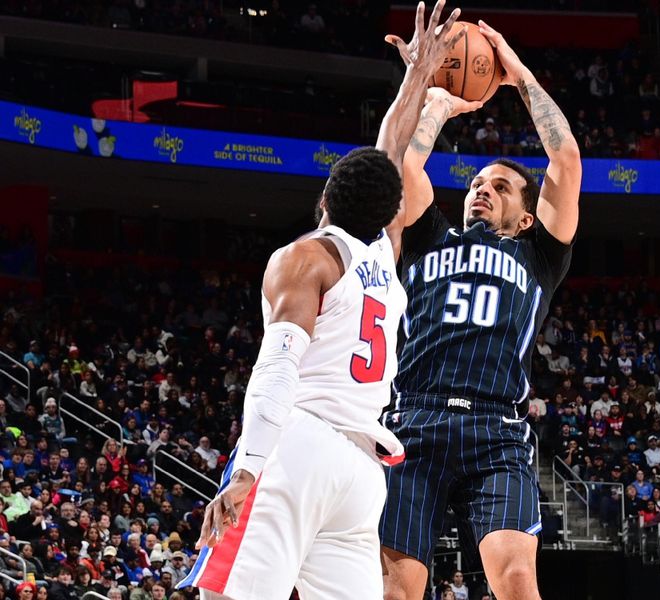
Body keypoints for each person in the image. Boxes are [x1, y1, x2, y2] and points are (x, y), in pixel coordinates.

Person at [177, 4, 467, 600]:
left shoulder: (308, 258)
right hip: (361, 473)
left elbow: (279, 367)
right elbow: (389, 152)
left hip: (297, 449)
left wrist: (249, 468)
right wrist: (417, 78)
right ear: (392, 212)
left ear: (326, 196)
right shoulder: (386, 258)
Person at [380, 18, 581, 600]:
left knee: (517, 579)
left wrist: (518, 78)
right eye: (475, 183)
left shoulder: (539, 254)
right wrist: (438, 105)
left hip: (495, 429)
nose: (481, 189)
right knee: (397, 587)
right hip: (414, 420)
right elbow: (398, 171)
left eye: (499, 186)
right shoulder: (429, 236)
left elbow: (565, 160)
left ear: (525, 215)